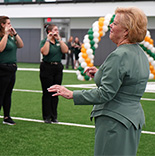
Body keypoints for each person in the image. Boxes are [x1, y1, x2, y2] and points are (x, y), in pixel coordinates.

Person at [48, 7, 149, 155]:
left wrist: (72, 94)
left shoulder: (119, 55)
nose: (110, 26)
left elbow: (106, 93)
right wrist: (100, 73)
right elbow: (127, 81)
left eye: (115, 23)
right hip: (132, 119)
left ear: (126, 30)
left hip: (115, 121)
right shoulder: (140, 54)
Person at [0, 16, 24, 126]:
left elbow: (21, 45)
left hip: (11, 68)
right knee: (0, 94)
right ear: (2, 25)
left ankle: (7, 116)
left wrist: (15, 34)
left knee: (8, 94)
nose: (10, 24)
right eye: (8, 23)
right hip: (0, 68)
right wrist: (6, 35)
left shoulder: (11, 36)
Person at [40, 24, 68, 123]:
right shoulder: (44, 41)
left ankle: (54, 116)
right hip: (47, 67)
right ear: (49, 31)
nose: (57, 31)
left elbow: (65, 50)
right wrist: (48, 40)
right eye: (55, 30)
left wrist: (59, 39)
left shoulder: (58, 42)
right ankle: (46, 116)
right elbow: (45, 52)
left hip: (58, 67)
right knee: (47, 92)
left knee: (56, 92)